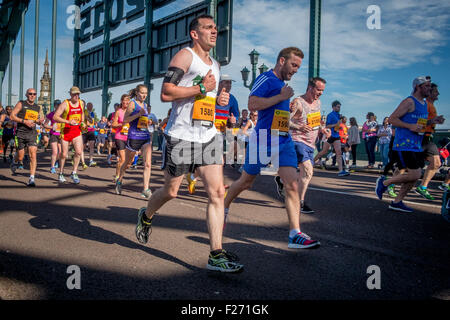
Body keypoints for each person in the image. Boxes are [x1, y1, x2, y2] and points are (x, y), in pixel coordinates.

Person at [135, 14, 244, 273]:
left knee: (217, 193)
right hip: (181, 136)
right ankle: (146, 215)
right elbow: (165, 93)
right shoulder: (185, 56)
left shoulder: (215, 65)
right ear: (195, 34)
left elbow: (204, 97)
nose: (214, 32)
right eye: (208, 28)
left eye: (216, 28)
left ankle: (216, 254)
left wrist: (216, 101)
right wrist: (201, 90)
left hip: (207, 136)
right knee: (171, 192)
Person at [224, 46, 320, 250]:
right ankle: (222, 206)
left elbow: (279, 115)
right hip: (262, 139)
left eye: (299, 67)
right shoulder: (267, 78)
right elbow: (252, 104)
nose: (296, 70)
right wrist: (280, 96)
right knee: (245, 182)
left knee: (292, 184)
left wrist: (292, 116)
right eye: (294, 65)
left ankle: (295, 234)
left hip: (283, 140)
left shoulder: (283, 86)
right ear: (282, 61)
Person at [375, 76, 443, 212]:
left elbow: (419, 124)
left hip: (417, 144)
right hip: (404, 144)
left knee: (413, 177)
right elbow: (392, 119)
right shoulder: (409, 102)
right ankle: (384, 183)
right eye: (427, 86)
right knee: (415, 174)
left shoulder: (424, 104)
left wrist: (432, 121)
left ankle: (397, 202)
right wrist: (409, 126)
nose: (430, 89)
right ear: (418, 87)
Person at [273, 76, 326, 215]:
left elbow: (315, 121)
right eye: (318, 90)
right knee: (308, 171)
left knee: (304, 174)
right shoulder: (298, 102)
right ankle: (299, 203)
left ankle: (282, 181)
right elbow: (282, 120)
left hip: (310, 144)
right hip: (297, 140)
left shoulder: (318, 103)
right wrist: (299, 127)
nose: (320, 93)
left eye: (322, 91)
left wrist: (322, 129)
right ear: (310, 87)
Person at [115, 84, 154, 199]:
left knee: (147, 163)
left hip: (145, 136)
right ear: (137, 93)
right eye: (142, 93)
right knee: (127, 162)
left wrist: (148, 122)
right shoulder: (132, 103)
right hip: (134, 137)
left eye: (146, 93)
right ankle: (119, 180)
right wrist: (138, 114)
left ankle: (145, 189)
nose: (144, 95)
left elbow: (143, 119)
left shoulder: (146, 105)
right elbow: (126, 120)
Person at [415, 82, 446, 200]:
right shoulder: (426, 105)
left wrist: (435, 121)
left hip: (428, 138)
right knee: (408, 167)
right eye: (435, 91)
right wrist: (433, 120)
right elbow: (419, 123)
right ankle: (388, 182)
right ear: (429, 93)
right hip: (421, 138)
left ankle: (422, 187)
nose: (438, 93)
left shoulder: (431, 105)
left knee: (437, 163)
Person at [9, 88, 45, 186]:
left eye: (34, 94)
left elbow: (37, 120)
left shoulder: (38, 107)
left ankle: (32, 178)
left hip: (32, 133)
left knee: (33, 154)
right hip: (21, 133)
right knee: (20, 156)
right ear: (26, 95)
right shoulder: (21, 103)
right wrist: (24, 121)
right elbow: (12, 116)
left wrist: (39, 121)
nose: (32, 95)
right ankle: (14, 160)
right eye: (30, 94)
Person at [53, 86, 86, 184]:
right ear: (70, 94)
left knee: (79, 152)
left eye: (78, 94)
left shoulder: (81, 103)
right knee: (64, 154)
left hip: (76, 132)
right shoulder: (65, 104)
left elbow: (82, 113)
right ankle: (61, 173)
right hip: (66, 131)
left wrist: (83, 122)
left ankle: (74, 172)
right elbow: (55, 117)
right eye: (75, 94)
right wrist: (68, 121)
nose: (77, 96)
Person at [313, 101, 350, 176]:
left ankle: (340, 171)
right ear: (333, 107)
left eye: (339, 107)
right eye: (338, 107)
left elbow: (338, 126)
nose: (339, 108)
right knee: (323, 152)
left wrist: (339, 126)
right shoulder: (330, 115)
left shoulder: (339, 116)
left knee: (339, 152)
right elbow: (327, 126)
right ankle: (311, 162)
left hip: (336, 136)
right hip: (330, 136)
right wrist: (335, 125)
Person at [111, 94, 130, 183]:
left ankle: (120, 173)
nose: (126, 102)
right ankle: (118, 176)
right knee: (122, 159)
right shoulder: (118, 111)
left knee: (129, 161)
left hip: (129, 137)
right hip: (120, 136)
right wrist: (121, 124)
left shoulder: (131, 112)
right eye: (124, 100)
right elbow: (113, 125)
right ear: (122, 101)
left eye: (127, 100)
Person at [44, 100, 63, 173]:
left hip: (61, 135)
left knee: (61, 152)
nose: (58, 106)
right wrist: (52, 127)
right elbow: (45, 125)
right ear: (54, 106)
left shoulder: (63, 114)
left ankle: (56, 161)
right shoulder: (51, 114)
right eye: (57, 105)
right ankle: (52, 167)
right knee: (55, 152)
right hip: (53, 135)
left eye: (59, 105)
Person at [82, 102, 97, 167]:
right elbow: (88, 122)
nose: (90, 107)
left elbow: (91, 121)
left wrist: (89, 119)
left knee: (92, 145)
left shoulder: (92, 113)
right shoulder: (84, 111)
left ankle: (91, 160)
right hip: (84, 131)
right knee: (82, 147)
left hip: (91, 131)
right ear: (86, 106)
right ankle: (81, 160)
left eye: (91, 106)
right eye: (89, 106)